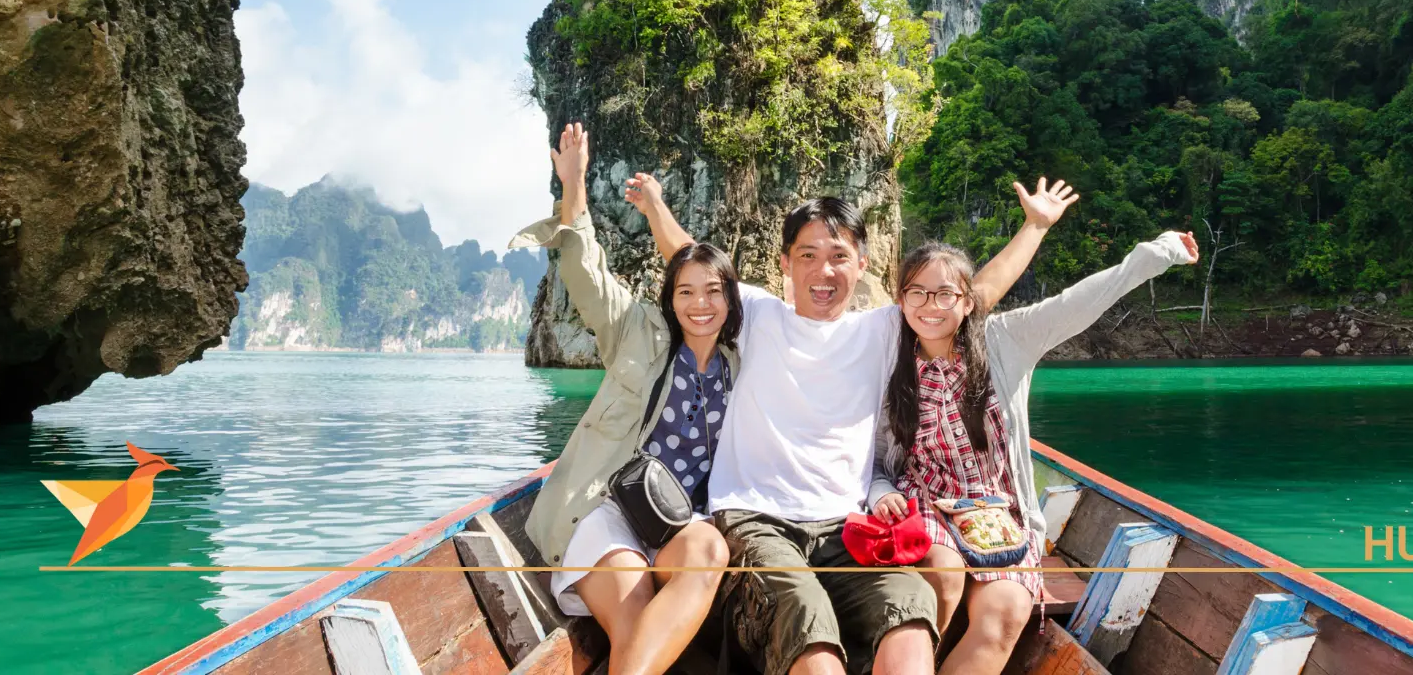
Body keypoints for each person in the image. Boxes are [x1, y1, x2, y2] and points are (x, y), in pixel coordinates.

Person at [627, 175, 1081, 675]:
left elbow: (973, 296)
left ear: (862, 265)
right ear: (785, 263)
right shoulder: (755, 315)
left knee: (909, 611)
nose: (825, 270)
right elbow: (692, 259)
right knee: (806, 620)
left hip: (848, 529)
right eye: (808, 255)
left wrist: (1034, 227)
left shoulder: (882, 329)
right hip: (753, 519)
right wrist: (654, 209)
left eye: (839, 256)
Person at [867, 228, 1198, 675]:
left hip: (999, 511)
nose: (931, 306)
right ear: (901, 300)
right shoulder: (887, 358)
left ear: (968, 302)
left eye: (946, 294)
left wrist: (1158, 253)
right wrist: (879, 492)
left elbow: (1079, 302)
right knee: (940, 579)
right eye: (918, 293)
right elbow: (874, 455)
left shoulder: (1005, 340)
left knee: (1005, 613)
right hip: (924, 499)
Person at [509, 123, 740, 675]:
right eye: (685, 291)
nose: (699, 304)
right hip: (607, 509)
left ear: (732, 298)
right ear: (669, 297)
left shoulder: (741, 361)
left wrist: (657, 207)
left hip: (684, 521)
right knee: (638, 626)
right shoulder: (639, 332)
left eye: (713, 291)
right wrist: (574, 183)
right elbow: (585, 270)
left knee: (710, 552)